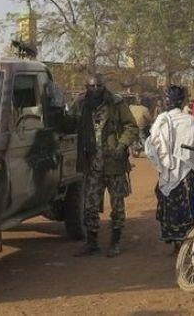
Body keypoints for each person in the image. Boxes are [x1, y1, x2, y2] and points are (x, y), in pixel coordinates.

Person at [70, 74, 138, 258]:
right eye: (92, 87)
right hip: (92, 164)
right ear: (87, 86)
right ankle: (91, 243)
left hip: (114, 164)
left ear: (104, 86)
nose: (96, 90)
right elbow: (70, 122)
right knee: (90, 205)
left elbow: (131, 126)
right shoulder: (81, 104)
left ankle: (115, 242)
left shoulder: (116, 103)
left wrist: (121, 145)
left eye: (99, 86)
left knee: (117, 205)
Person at [144, 85, 194, 251]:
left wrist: (163, 163)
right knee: (187, 207)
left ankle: (177, 244)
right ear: (182, 101)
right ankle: (185, 242)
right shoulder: (189, 121)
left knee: (168, 204)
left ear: (167, 101)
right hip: (186, 172)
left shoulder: (161, 120)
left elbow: (152, 146)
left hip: (167, 171)